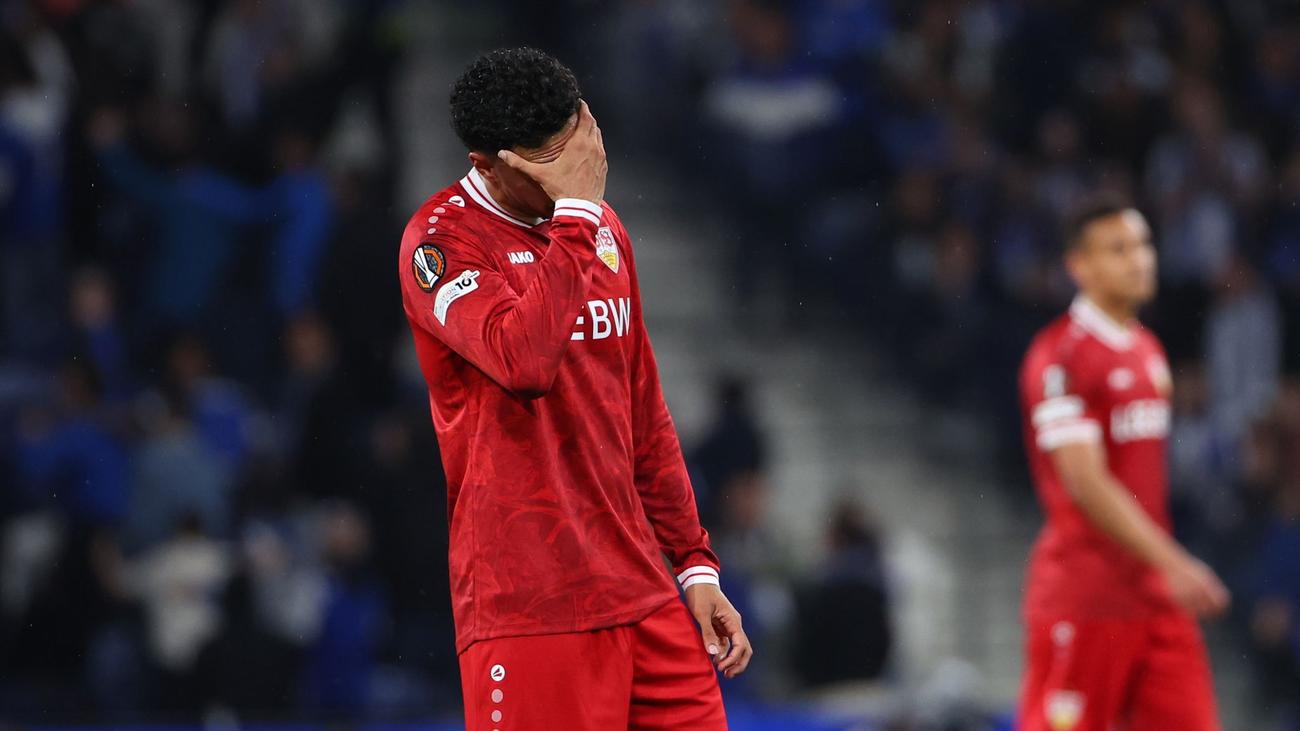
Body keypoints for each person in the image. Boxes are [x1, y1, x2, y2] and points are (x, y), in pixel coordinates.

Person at [396, 48, 750, 731]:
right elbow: (525, 361)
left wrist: (695, 565)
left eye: (577, 148)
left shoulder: (603, 228)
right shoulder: (439, 244)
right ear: (487, 164)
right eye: (551, 164)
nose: (578, 173)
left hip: (640, 589)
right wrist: (579, 214)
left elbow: (643, 409)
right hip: (532, 602)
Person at [1017, 195, 1230, 731]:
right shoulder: (1062, 356)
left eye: (1143, 245)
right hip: (1088, 593)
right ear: (1079, 266)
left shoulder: (1146, 349)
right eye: (1118, 250)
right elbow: (1084, 481)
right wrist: (1174, 562)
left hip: (1154, 593)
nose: (1139, 260)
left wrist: (1163, 567)